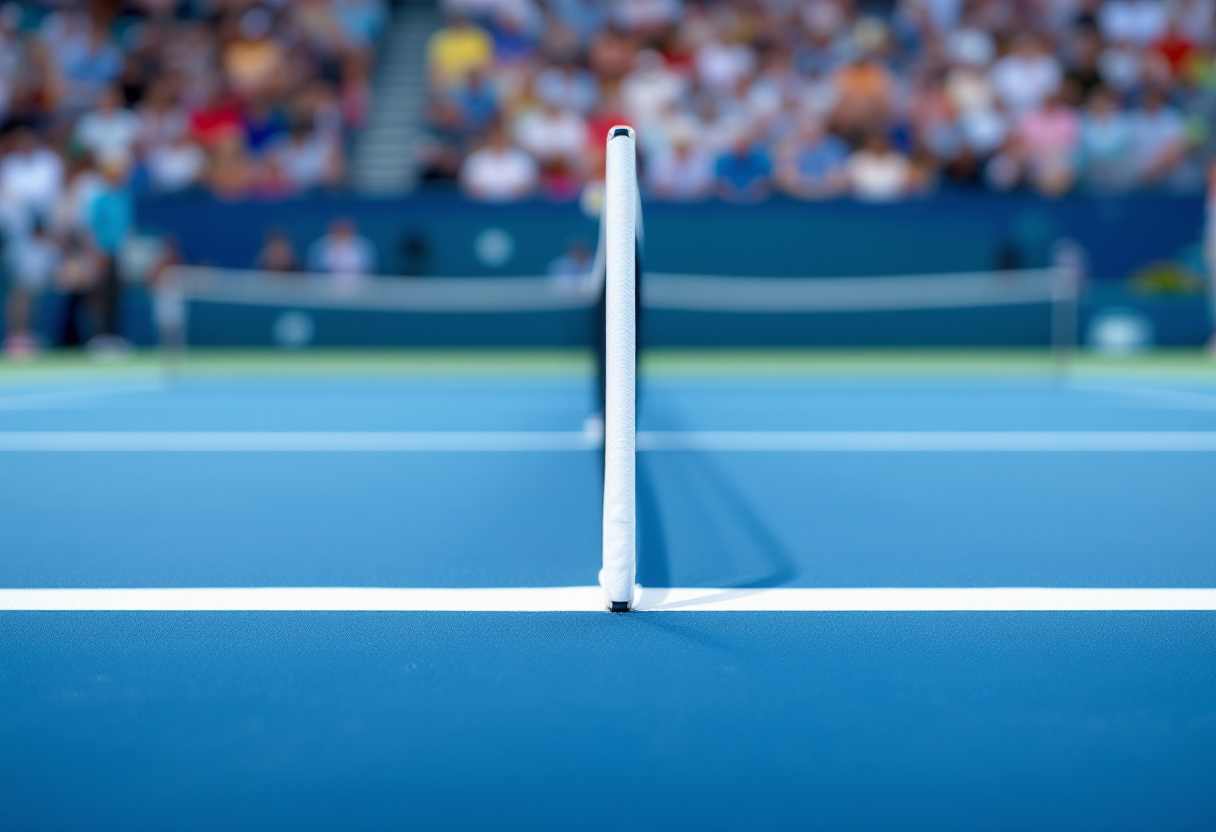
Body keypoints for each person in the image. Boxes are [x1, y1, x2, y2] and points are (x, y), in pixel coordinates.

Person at [83, 159, 133, 354]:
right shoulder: (98, 199)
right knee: (100, 296)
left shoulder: (124, 198)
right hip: (101, 254)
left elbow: (127, 227)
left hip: (118, 254)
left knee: (116, 296)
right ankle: (99, 338)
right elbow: (90, 229)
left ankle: (112, 337)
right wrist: (97, 253)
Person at [2, 220, 60, 356]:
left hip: (43, 287)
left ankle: (29, 337)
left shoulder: (50, 249)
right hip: (23, 285)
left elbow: (55, 272)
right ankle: (17, 337)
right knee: (19, 297)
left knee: (26, 295)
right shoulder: (22, 248)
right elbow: (14, 270)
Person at [306, 218, 376, 280]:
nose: (341, 231)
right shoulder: (320, 245)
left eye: (345, 228)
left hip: (357, 284)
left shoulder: (363, 245)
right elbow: (312, 267)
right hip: (325, 283)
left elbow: (369, 268)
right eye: (338, 228)